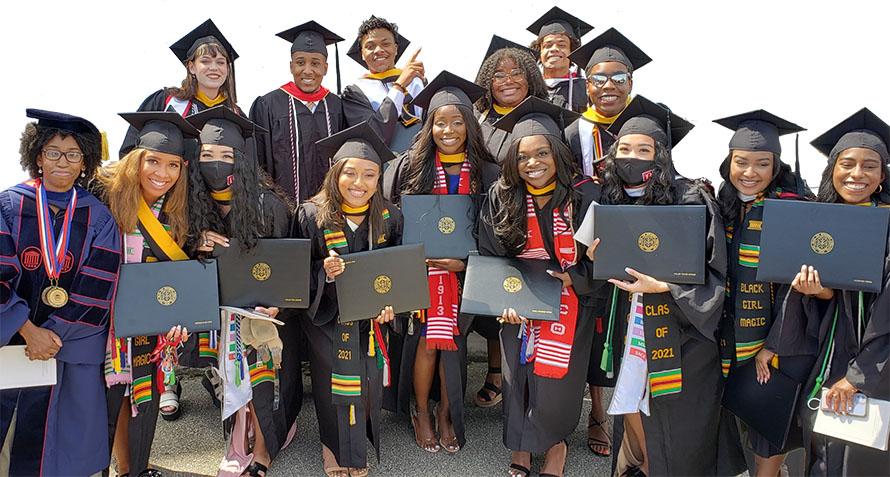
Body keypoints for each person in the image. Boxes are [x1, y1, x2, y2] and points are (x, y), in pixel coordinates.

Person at [591, 95, 739, 476]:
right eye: (625, 148)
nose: (633, 156)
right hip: (635, 324)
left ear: (661, 155)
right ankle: (642, 466)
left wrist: (665, 288)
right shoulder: (611, 197)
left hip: (683, 333)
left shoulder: (691, 197)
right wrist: (598, 259)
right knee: (633, 401)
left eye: (645, 149)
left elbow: (716, 273)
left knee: (678, 418)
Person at [478, 97, 602, 477]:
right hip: (517, 300)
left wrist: (575, 277)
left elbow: (603, 257)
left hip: (572, 300)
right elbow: (489, 251)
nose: (532, 164)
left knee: (556, 379)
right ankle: (520, 446)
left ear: (558, 154)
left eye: (542, 153)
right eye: (523, 156)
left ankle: (555, 444)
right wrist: (502, 298)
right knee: (517, 375)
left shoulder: (586, 195)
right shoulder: (502, 194)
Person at [382, 71, 499, 454]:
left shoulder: (488, 172)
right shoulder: (408, 167)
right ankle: (422, 412)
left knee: (454, 344)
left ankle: (449, 412)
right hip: (422, 276)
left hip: (468, 275)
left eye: (457, 121)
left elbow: (499, 230)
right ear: (429, 126)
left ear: (470, 125)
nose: (448, 130)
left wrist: (468, 264)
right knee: (425, 345)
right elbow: (392, 225)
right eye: (439, 122)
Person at [0, 109, 120, 477]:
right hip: (11, 347)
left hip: (67, 349)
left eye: (73, 154)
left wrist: (49, 338)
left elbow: (99, 287)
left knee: (65, 448)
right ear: (37, 156)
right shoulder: (8, 206)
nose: (62, 162)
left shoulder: (98, 216)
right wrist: (27, 330)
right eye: (53, 152)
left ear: (85, 161)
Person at [183, 106, 293, 477]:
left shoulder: (269, 206)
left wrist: (276, 306)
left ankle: (261, 446)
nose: (216, 164)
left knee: (258, 364)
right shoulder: (190, 206)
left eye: (227, 156)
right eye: (208, 155)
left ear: (242, 160)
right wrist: (195, 243)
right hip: (216, 309)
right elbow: (180, 264)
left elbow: (289, 261)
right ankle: (240, 433)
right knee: (228, 369)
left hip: (259, 311)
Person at [295, 122, 403, 477]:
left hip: (371, 317)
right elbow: (296, 272)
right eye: (350, 173)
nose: (359, 183)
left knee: (368, 377)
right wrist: (324, 271)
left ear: (379, 178)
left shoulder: (390, 217)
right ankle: (334, 446)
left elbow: (398, 272)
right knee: (334, 380)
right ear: (335, 175)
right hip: (326, 314)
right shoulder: (311, 215)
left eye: (369, 175)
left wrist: (392, 306)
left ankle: (356, 445)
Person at [786, 108, 890, 477]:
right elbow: (840, 300)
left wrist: (859, 375)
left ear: (881, 178)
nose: (857, 174)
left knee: (861, 457)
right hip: (830, 358)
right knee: (821, 444)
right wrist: (820, 293)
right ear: (833, 170)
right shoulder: (820, 222)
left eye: (869, 166)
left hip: (876, 369)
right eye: (847, 164)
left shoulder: (888, 228)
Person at [713, 110, 816, 477]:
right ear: (729, 162)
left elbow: (796, 288)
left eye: (762, 163)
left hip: (776, 333)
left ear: (776, 167)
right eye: (741, 162)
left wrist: (774, 343)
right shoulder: (721, 205)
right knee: (740, 409)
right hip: (729, 328)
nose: (750, 172)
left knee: (768, 420)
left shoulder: (793, 209)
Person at [97, 111, 198, 477]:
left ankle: (134, 468)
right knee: (106, 401)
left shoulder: (178, 210)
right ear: (136, 159)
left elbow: (181, 275)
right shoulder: (103, 198)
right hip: (104, 321)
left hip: (148, 322)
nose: (162, 173)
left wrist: (182, 317)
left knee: (145, 396)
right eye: (153, 161)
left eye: (173, 165)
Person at [250, 20, 347, 203]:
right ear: (291, 66)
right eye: (300, 62)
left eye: (315, 63)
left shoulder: (337, 106)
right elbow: (257, 162)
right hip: (282, 212)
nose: (307, 71)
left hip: (330, 211)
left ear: (325, 68)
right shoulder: (269, 105)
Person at [120, 19, 241, 157]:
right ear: (191, 67)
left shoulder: (235, 113)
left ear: (227, 68)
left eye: (220, 62)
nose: (214, 68)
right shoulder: (166, 101)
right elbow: (130, 151)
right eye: (205, 61)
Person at [565, 28, 651, 181]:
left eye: (619, 78)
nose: (608, 86)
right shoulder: (573, 133)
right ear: (587, 86)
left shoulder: (649, 125)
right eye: (598, 79)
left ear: (630, 84)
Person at [342, 16, 424, 151]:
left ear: (396, 48)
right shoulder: (355, 93)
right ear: (362, 54)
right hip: (384, 167)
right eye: (370, 46)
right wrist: (399, 86)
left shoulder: (417, 81)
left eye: (385, 44)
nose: (379, 50)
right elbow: (374, 137)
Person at [474, 35, 547, 164]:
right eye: (499, 75)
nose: (508, 81)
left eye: (517, 73)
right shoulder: (475, 118)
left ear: (530, 79)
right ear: (488, 82)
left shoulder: (544, 119)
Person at [526, 7, 593, 113]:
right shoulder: (529, 88)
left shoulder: (586, 90)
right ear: (539, 52)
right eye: (547, 45)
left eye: (562, 45)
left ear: (572, 51)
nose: (554, 49)